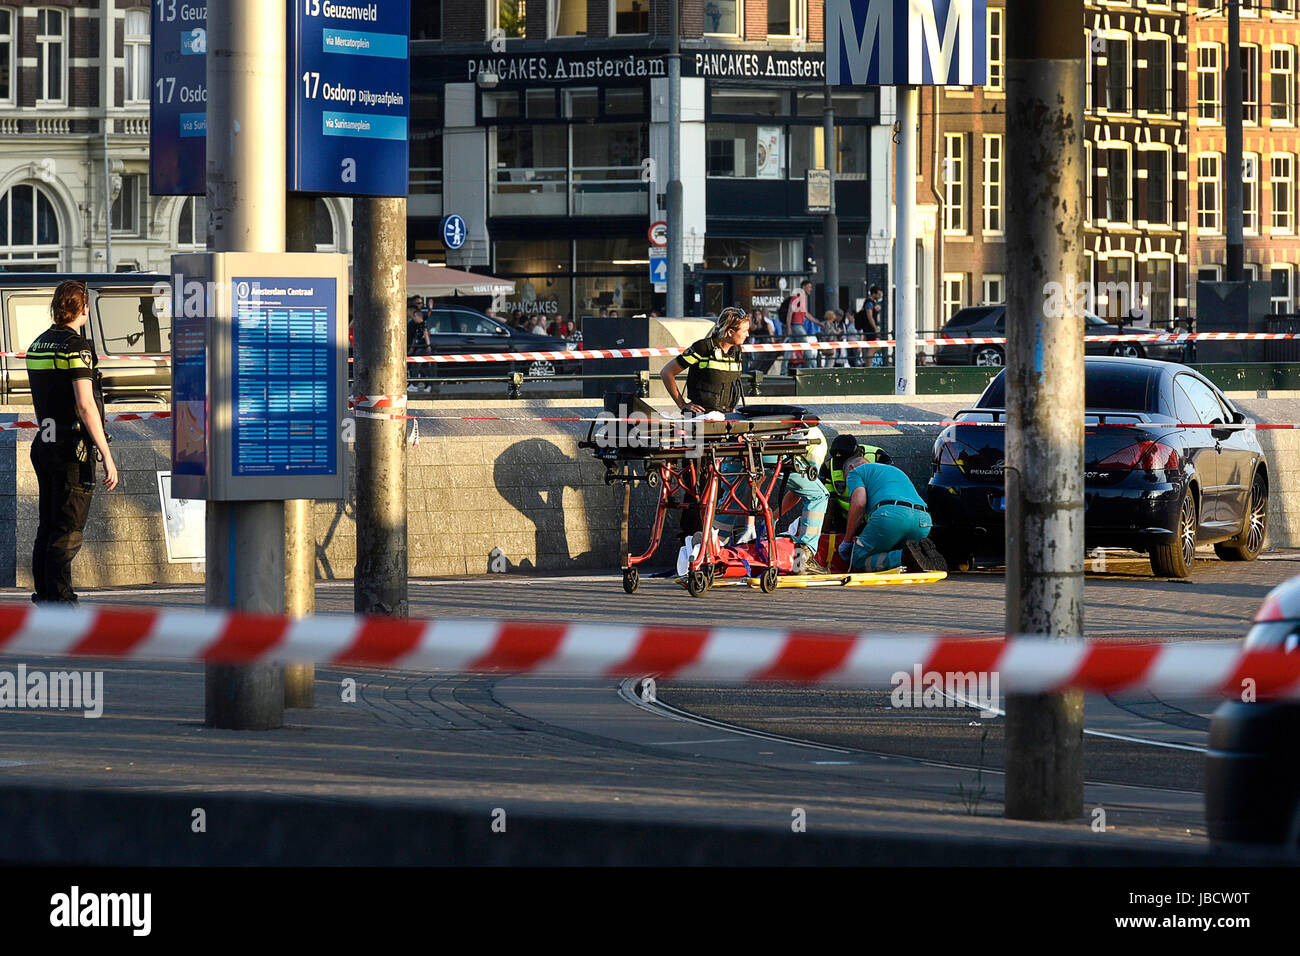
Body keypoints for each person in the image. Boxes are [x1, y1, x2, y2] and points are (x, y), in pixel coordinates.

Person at [26, 279, 119, 604]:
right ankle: (61, 601)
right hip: (72, 449)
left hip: (45, 442)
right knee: (67, 529)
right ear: (82, 309)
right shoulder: (76, 347)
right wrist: (106, 453)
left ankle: (46, 595)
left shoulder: (38, 344)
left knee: (47, 525)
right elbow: (84, 403)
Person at [835, 455, 946, 573]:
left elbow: (859, 503)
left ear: (851, 468)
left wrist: (846, 541)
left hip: (891, 516)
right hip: (923, 520)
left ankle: (902, 558)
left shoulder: (855, 472)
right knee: (905, 550)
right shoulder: (895, 471)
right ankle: (922, 555)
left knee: (858, 560)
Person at [659, 306, 749, 414]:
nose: (747, 334)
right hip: (700, 419)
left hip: (726, 418)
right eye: (744, 331)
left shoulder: (737, 351)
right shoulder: (702, 347)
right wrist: (682, 405)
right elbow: (667, 372)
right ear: (730, 332)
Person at [820, 435, 891, 534]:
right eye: (839, 462)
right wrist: (824, 533)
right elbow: (828, 503)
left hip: (876, 521)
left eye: (846, 460)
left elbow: (889, 490)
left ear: (858, 452)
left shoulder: (878, 457)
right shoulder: (827, 467)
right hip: (847, 522)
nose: (843, 466)